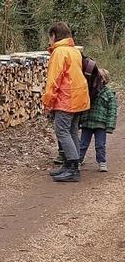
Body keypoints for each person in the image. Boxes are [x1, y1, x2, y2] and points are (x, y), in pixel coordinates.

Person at [42, 22, 90, 182]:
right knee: (72, 131)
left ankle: (73, 168)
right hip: (79, 97)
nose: (49, 41)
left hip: (66, 98)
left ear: (54, 36)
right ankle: (71, 165)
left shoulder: (59, 52)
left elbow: (54, 80)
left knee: (62, 131)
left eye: (50, 37)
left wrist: (47, 103)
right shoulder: (74, 51)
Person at [78, 68, 117, 172]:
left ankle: (102, 162)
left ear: (105, 79)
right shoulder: (88, 90)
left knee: (100, 145)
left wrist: (110, 126)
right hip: (87, 122)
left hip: (101, 125)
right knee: (82, 144)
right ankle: (78, 161)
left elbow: (112, 110)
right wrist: (79, 121)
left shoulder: (109, 93)